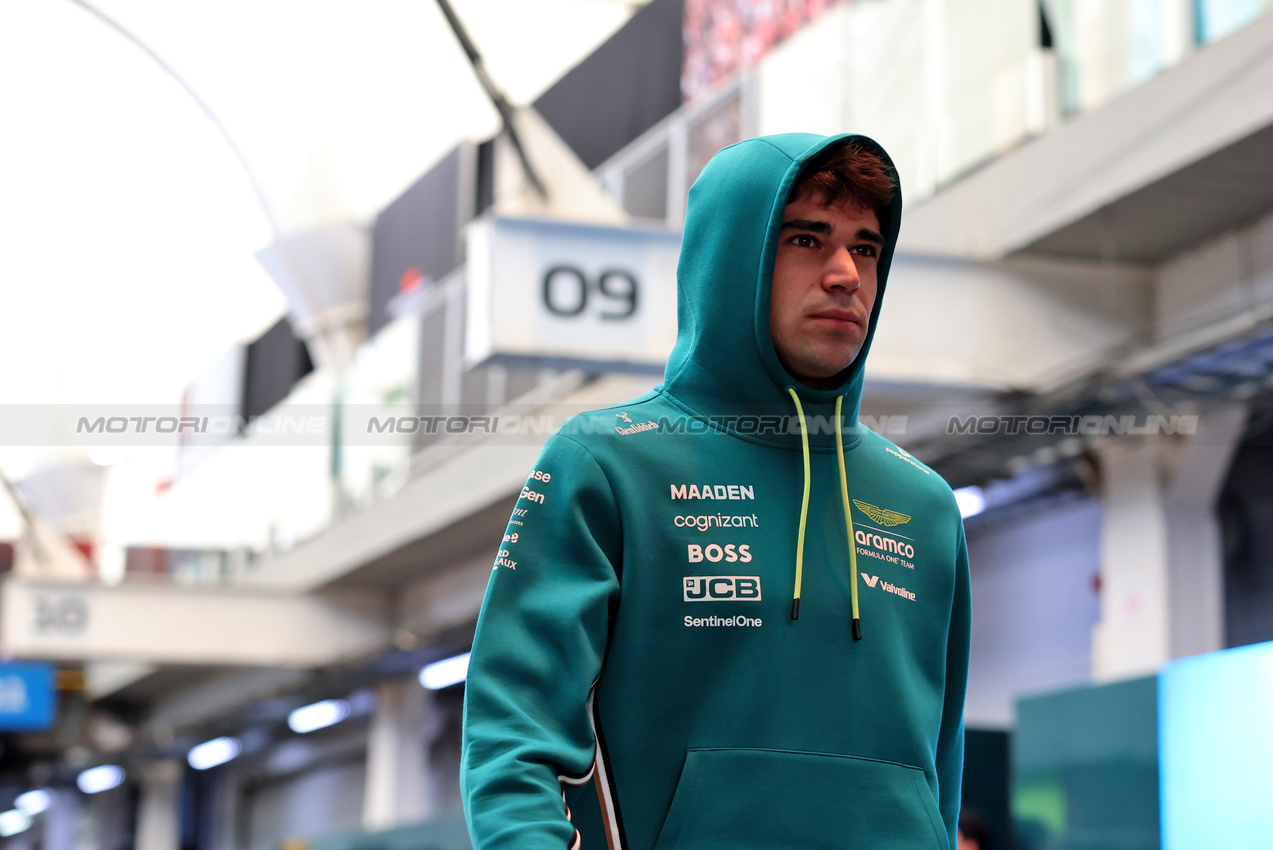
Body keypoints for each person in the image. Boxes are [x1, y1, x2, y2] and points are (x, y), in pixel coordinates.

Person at [461, 133, 971, 850]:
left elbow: (940, 768)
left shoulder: (924, 505)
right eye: (805, 238)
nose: (844, 274)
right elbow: (515, 732)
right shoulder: (605, 462)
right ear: (731, 257)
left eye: (865, 248)